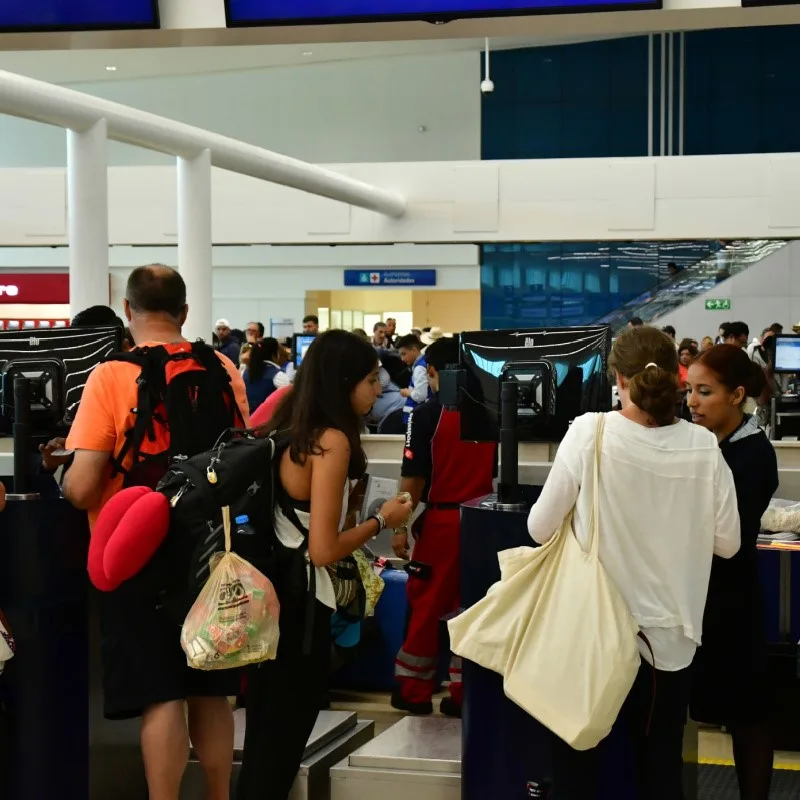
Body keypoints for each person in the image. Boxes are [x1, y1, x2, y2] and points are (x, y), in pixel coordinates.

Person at [526, 325, 740, 800]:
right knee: (659, 770)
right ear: (674, 375)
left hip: (594, 634)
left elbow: (539, 528)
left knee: (578, 763)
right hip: (670, 642)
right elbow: (728, 543)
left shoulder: (589, 432)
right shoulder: (704, 446)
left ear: (615, 378)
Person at [63, 265, 249, 800]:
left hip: (137, 551)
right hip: (214, 547)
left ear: (127, 310)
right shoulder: (221, 367)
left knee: (162, 692)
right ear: (185, 312)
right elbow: (240, 452)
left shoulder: (111, 375)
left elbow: (80, 488)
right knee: (210, 688)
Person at [240, 330, 412, 800]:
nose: (378, 389)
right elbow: (322, 549)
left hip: (272, 598)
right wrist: (383, 518)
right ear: (344, 382)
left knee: (264, 744)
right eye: (371, 379)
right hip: (301, 611)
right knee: (278, 749)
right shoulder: (331, 440)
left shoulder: (290, 427)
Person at [687, 345, 779, 800]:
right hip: (689, 595)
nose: (693, 402)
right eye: (689, 391)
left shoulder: (754, 455)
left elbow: (725, 536)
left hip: (730, 599)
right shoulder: (698, 442)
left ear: (738, 395)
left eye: (705, 392)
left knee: (747, 714)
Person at [392, 337, 496, 718]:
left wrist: (400, 527)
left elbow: (412, 483)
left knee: (426, 606)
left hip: (440, 525)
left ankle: (414, 691)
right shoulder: (490, 412)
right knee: (471, 609)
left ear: (433, 372)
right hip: (482, 522)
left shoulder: (425, 415)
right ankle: (464, 692)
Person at [243, 337, 291, 414]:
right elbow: (290, 400)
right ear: (275, 354)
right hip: (268, 421)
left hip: (248, 420)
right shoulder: (278, 375)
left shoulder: (245, 372)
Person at [396, 334, 432, 425]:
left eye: (404, 354)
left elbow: (420, 396)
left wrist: (407, 392)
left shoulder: (419, 368)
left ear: (414, 350)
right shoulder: (424, 362)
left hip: (415, 417)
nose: (402, 359)